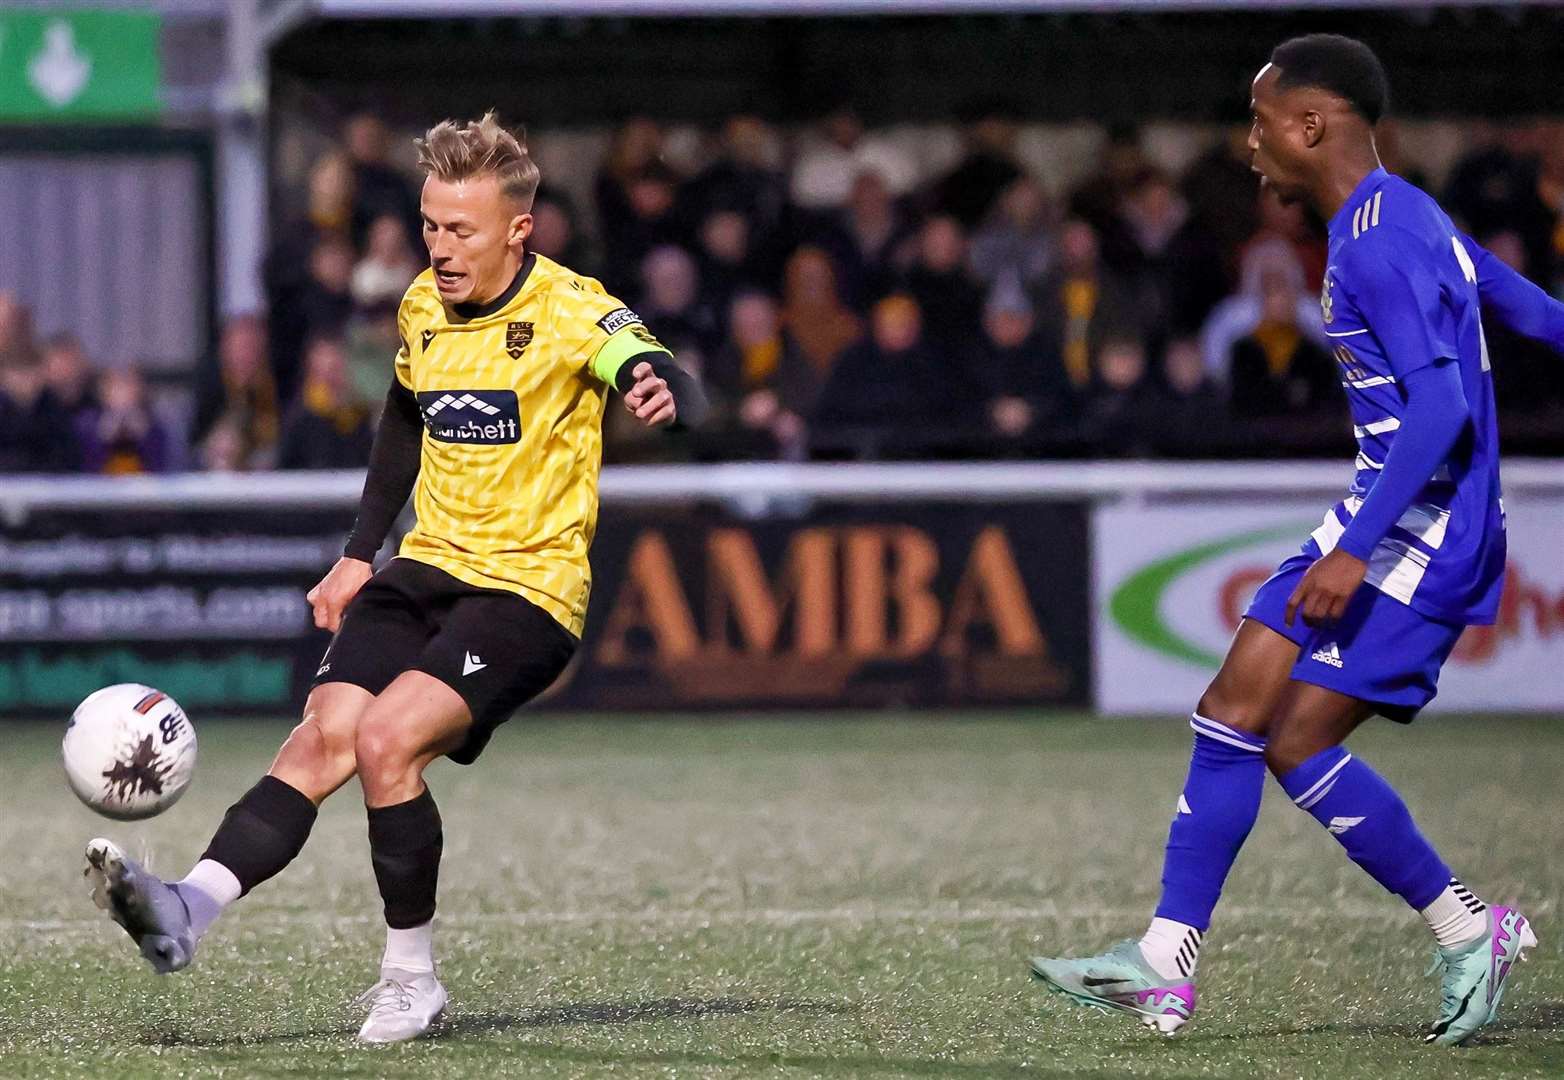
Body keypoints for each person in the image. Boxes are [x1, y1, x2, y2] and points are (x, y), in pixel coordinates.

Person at [84, 112, 707, 1045]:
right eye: (430, 224)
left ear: (517, 230)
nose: (441, 247)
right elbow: (402, 425)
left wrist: (660, 388)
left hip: (526, 593)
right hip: (423, 567)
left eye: (461, 229)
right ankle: (187, 910)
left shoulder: (577, 309)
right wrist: (356, 552)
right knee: (320, 737)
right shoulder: (421, 303)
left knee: (385, 741)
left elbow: (663, 372)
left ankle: (412, 980)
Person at [1029, 34, 1564, 1046]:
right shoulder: (1403, 216)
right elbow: (1534, 313)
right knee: (1235, 710)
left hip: (1423, 537)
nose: (1250, 144)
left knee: (1295, 739)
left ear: (1310, 126)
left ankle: (1466, 929)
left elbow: (1442, 406)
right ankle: (1163, 962)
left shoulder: (1376, 239)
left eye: (1261, 121)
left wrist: (1353, 548)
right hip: (1386, 514)